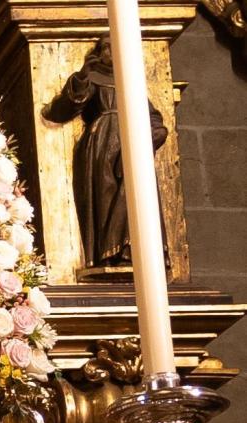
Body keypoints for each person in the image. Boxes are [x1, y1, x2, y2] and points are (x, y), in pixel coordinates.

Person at [43, 40, 168, 269]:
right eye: (106, 47)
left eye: (115, 45)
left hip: (135, 141)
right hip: (103, 142)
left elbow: (153, 118)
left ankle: (131, 250)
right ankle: (107, 252)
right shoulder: (92, 79)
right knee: (106, 193)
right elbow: (60, 111)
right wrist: (82, 76)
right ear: (98, 53)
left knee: (134, 192)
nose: (111, 51)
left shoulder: (132, 83)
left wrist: (157, 133)